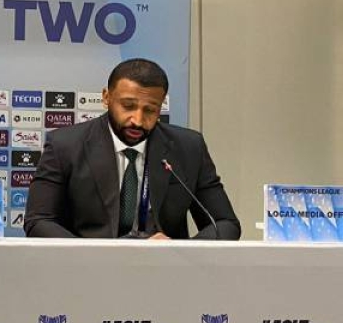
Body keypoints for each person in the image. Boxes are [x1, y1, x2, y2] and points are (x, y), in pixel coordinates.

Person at [24, 58, 239, 240]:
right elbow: (39, 221)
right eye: (128, 106)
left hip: (162, 269)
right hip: (87, 269)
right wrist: (93, 256)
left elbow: (226, 223)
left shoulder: (189, 148)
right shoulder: (65, 145)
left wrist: (178, 251)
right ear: (106, 97)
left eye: (150, 110)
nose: (137, 120)